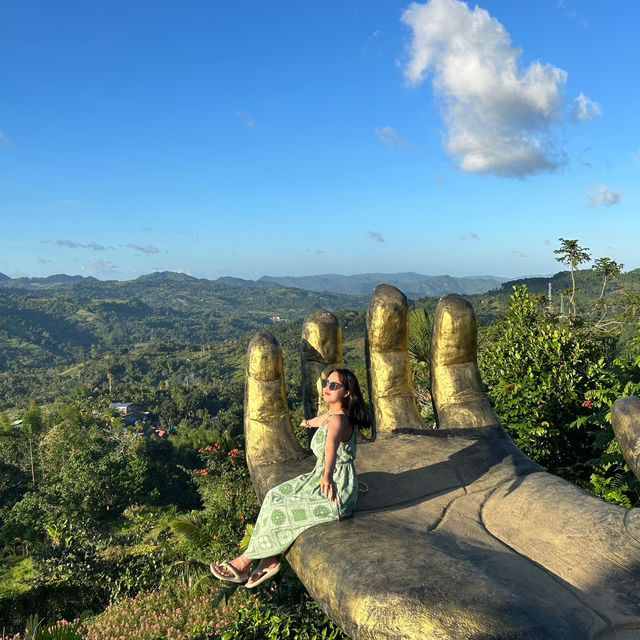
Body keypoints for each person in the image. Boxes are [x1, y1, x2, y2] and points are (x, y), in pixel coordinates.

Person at [211, 368, 370, 587]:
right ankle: (268, 560)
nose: (327, 388)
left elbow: (331, 446)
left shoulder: (339, 421)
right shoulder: (331, 416)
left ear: (346, 392)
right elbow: (317, 421)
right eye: (326, 383)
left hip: (337, 487)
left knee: (284, 509)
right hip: (319, 476)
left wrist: (327, 477)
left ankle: (244, 562)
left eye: (334, 385)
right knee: (274, 496)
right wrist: (305, 422)